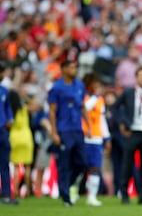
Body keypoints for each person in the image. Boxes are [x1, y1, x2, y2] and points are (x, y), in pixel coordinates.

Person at [48, 60, 92, 207]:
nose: (75, 69)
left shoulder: (79, 85)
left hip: (77, 130)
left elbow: (83, 107)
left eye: (75, 67)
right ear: (63, 69)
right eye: (72, 67)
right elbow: (52, 111)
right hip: (63, 130)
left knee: (83, 163)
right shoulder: (57, 88)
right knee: (64, 164)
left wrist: (89, 126)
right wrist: (54, 133)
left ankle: (68, 185)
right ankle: (66, 196)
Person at [113, 66, 142, 205]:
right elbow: (114, 107)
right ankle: (124, 194)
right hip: (132, 132)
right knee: (127, 164)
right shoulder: (128, 92)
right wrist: (122, 123)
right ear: (136, 78)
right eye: (141, 75)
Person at [81, 73, 111, 206]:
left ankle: (91, 196)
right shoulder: (84, 98)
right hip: (83, 136)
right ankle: (73, 192)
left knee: (95, 167)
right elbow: (85, 109)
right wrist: (95, 96)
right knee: (80, 167)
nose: (99, 87)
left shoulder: (99, 100)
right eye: (96, 85)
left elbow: (102, 120)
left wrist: (107, 137)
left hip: (96, 138)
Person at [0, 63, 18, 205]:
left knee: (5, 163)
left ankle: (6, 194)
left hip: (2, 131)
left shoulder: (4, 91)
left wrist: (9, 119)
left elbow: (7, 109)